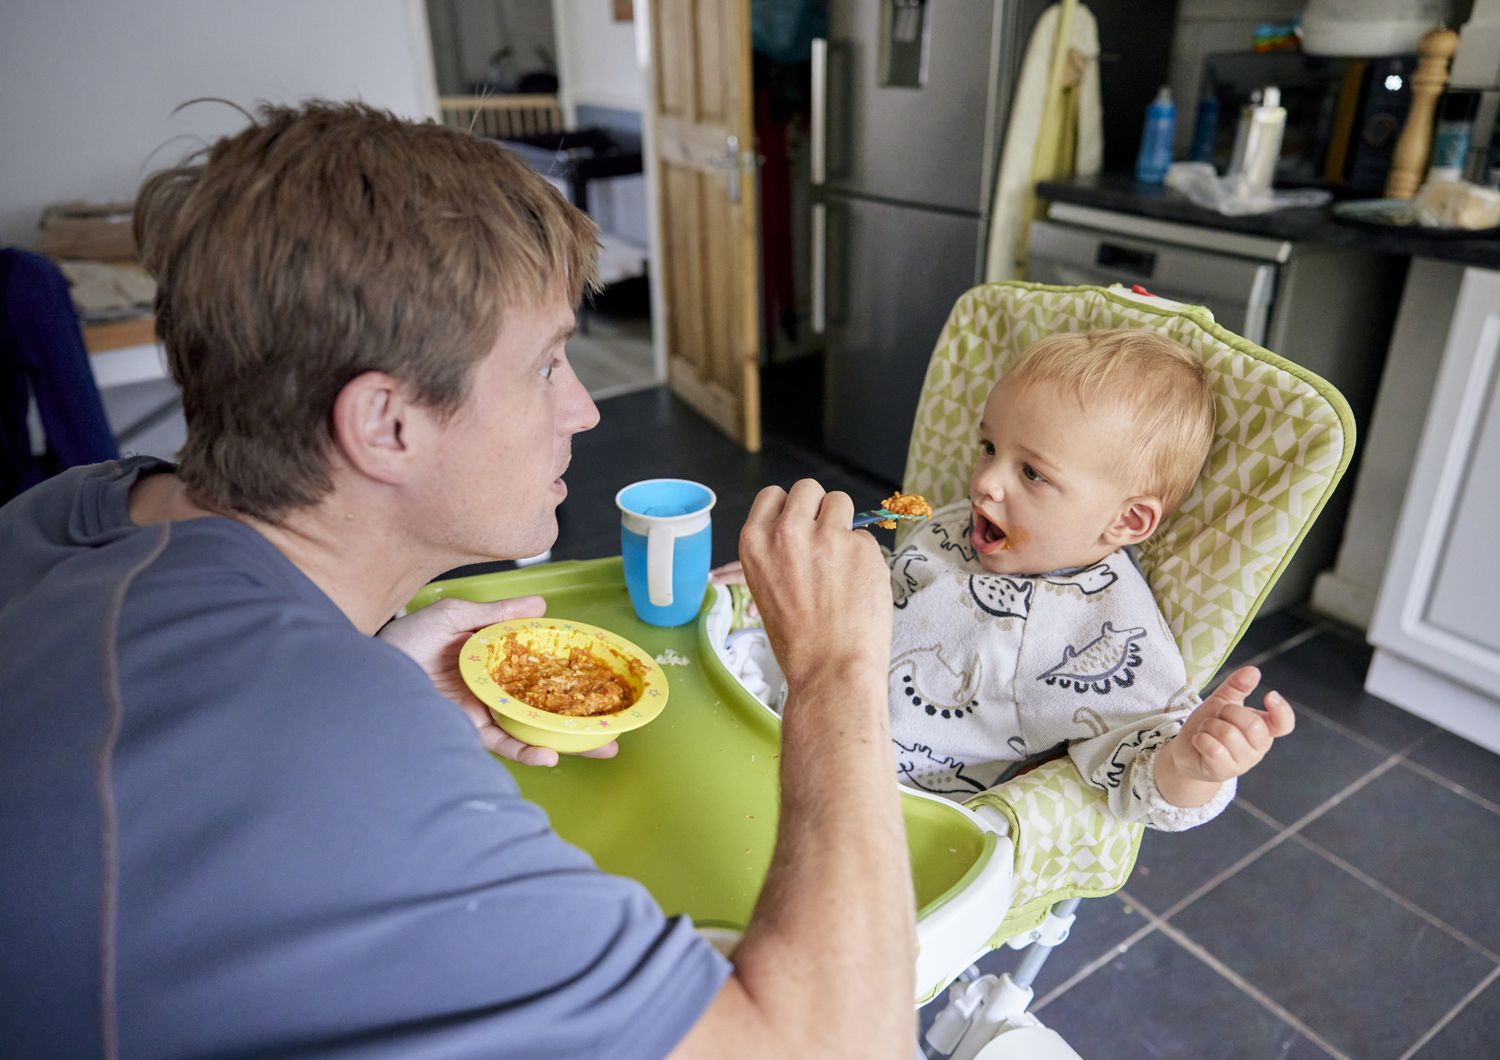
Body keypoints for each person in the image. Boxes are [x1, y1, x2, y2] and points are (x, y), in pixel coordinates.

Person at [0, 102, 914, 1058]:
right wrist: (836, 666)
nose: (586, 409)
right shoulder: (339, 757)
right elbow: (836, 1042)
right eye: (548, 365)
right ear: (387, 424)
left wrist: (376, 678)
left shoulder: (72, 510)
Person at [714, 328, 1295, 829]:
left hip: (874, 805)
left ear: (1127, 520)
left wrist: (1193, 765)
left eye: (1032, 473)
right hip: (790, 707)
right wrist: (811, 578)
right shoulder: (959, 527)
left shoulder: (1103, 634)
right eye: (989, 447)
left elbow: (1141, 773)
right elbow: (896, 589)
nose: (985, 482)